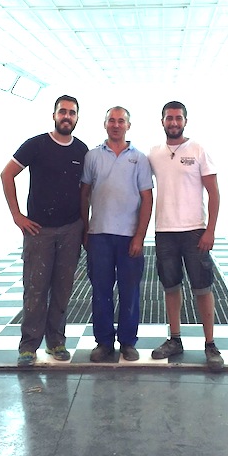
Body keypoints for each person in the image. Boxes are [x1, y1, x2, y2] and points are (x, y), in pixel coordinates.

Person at [1, 95, 88, 367]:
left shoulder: (81, 150)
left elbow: (86, 191)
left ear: (77, 118)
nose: (67, 116)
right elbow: (6, 174)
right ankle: (28, 346)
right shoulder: (36, 145)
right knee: (35, 289)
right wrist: (17, 216)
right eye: (63, 112)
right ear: (54, 115)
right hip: (39, 231)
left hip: (71, 229)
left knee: (63, 288)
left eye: (71, 113)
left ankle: (56, 342)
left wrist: (85, 226)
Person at [148, 101, 223, 372]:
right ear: (162, 121)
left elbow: (214, 193)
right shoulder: (154, 154)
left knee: (202, 287)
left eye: (178, 118)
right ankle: (175, 339)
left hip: (194, 231)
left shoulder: (198, 150)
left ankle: (210, 344)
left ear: (185, 121)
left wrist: (210, 230)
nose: (174, 122)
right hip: (165, 231)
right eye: (169, 118)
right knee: (170, 286)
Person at [81, 106, 153, 362]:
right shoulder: (92, 156)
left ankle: (127, 342)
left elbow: (147, 199)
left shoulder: (140, 159)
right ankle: (104, 343)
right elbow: (84, 194)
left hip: (128, 237)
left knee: (129, 292)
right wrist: (85, 230)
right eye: (111, 120)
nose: (116, 125)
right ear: (105, 124)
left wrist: (139, 237)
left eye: (121, 121)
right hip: (99, 235)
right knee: (100, 292)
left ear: (128, 126)